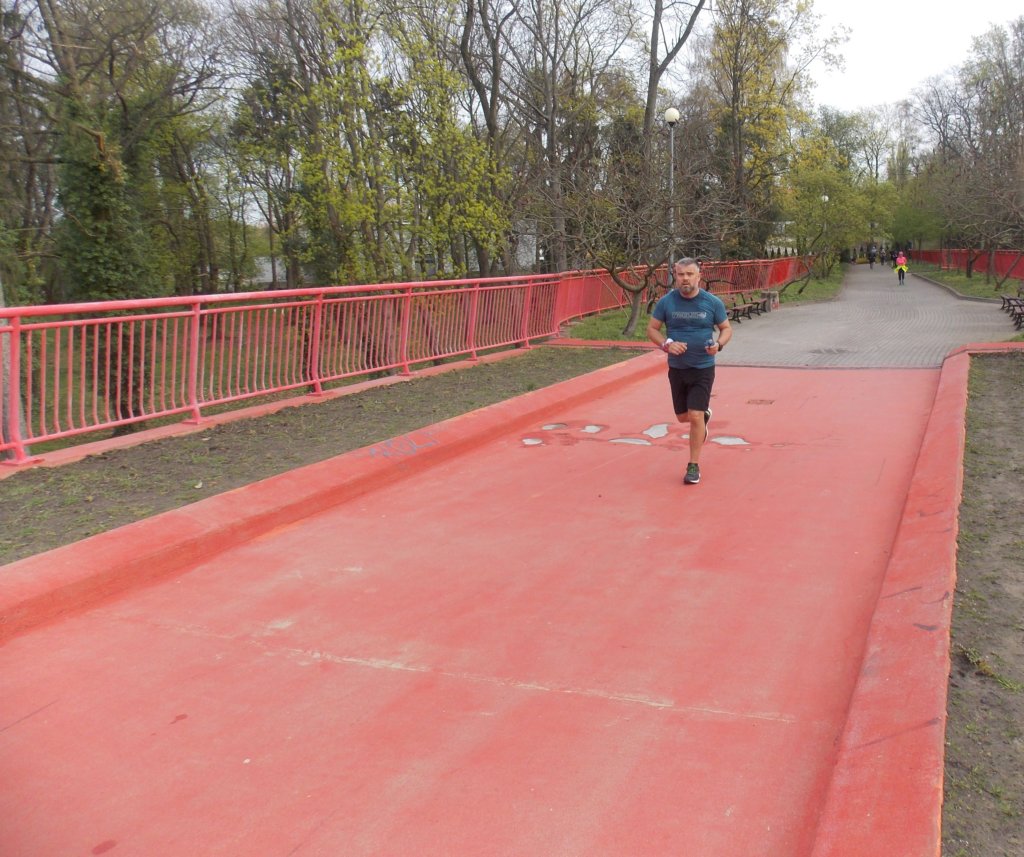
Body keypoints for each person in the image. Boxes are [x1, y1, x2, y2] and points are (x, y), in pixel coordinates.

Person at [647, 257, 733, 485]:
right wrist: (666, 344)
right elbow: (652, 329)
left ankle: (693, 465)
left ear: (698, 276)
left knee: (694, 416)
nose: (685, 278)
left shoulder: (712, 302)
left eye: (689, 274)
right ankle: (704, 416)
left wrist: (718, 345)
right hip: (677, 368)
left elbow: (726, 328)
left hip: (703, 367)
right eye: (680, 274)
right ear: (675, 276)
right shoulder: (666, 302)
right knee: (682, 416)